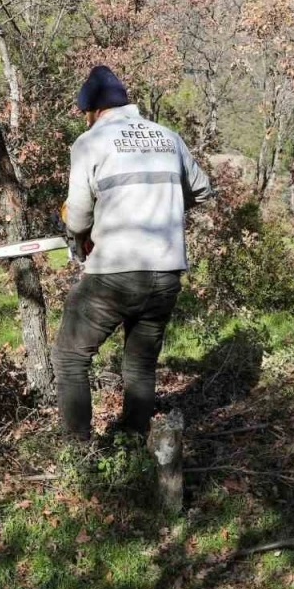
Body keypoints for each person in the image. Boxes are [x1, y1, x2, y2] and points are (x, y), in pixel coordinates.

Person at [52, 65, 213, 441]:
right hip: (166, 272)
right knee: (140, 363)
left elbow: (76, 217)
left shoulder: (90, 142)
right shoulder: (167, 137)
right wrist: (163, 205)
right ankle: (134, 437)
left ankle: (79, 450)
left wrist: (82, 231)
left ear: (92, 110)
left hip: (114, 273)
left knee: (70, 357)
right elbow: (202, 189)